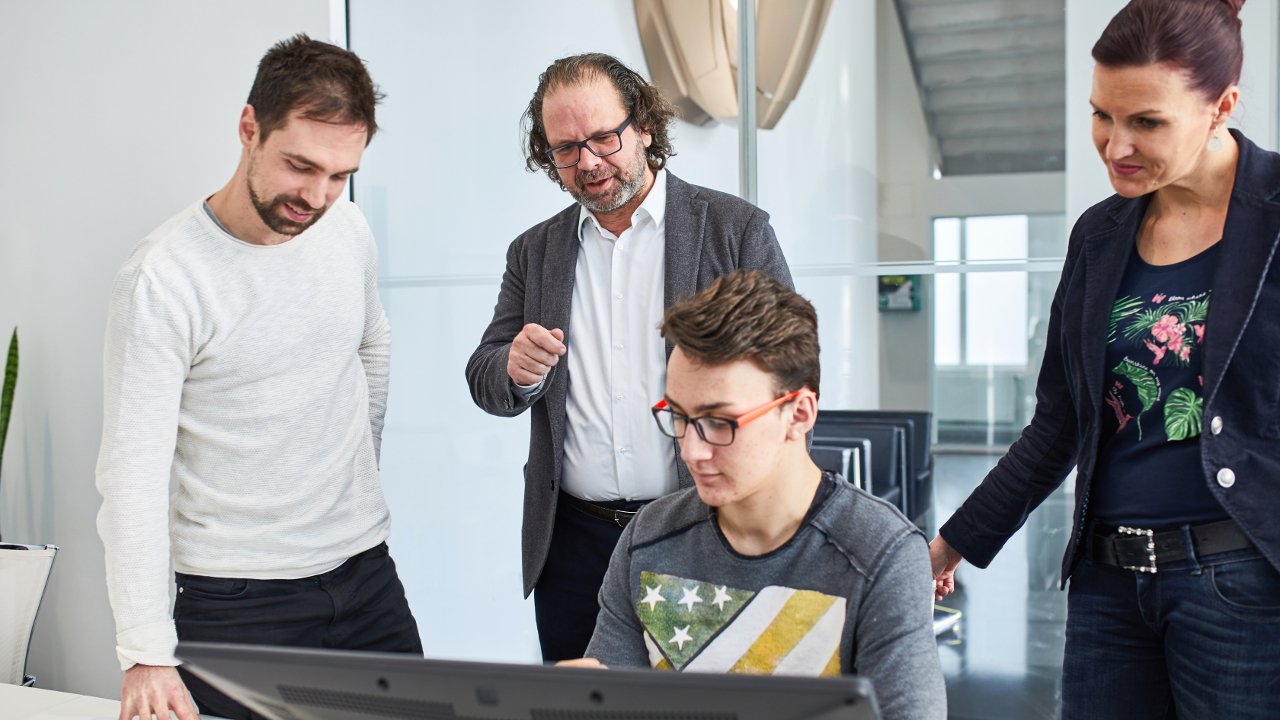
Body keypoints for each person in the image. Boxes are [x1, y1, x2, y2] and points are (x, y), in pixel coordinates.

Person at [930, 0, 1280, 717]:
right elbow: (1059, 424)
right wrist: (947, 547)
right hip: (1107, 586)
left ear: (1222, 108)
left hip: (1242, 586)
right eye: (1101, 115)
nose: (1115, 145)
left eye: (1147, 121)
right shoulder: (1099, 233)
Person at [96, 35, 421, 720]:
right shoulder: (163, 278)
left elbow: (372, 342)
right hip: (236, 602)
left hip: (365, 575)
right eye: (300, 166)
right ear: (249, 128)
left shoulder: (347, 230)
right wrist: (146, 650)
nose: (318, 196)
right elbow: (132, 475)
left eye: (340, 175)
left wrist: (354, 476)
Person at [465, 53, 793, 661]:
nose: (588, 162)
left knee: (698, 701)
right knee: (576, 701)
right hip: (573, 544)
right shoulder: (534, 252)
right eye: (566, 148)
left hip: (703, 530)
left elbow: (791, 376)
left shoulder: (734, 230)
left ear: (643, 126)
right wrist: (513, 368)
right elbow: (485, 375)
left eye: (603, 137)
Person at [570, 270, 945, 720]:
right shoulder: (649, 537)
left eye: (719, 422)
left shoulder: (882, 555)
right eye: (679, 416)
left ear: (798, 414)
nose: (690, 451)